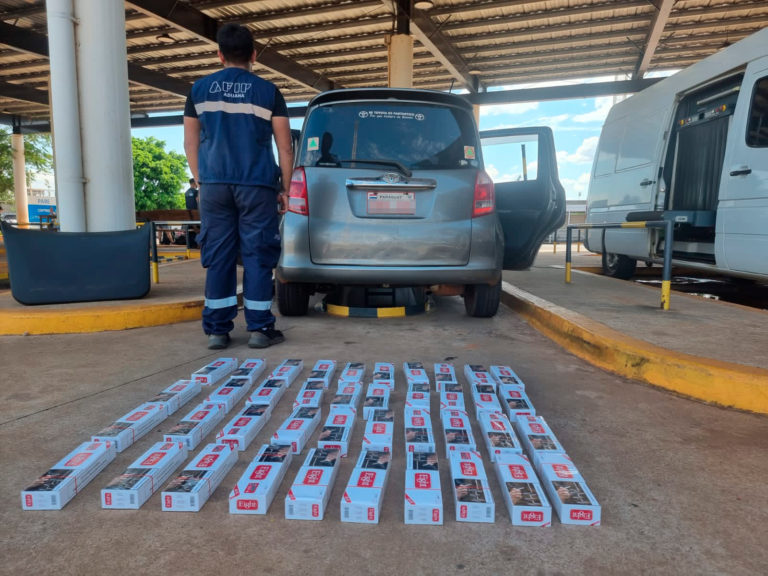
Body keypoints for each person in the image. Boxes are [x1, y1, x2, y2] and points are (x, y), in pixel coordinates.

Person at [184, 23, 293, 350]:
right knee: (258, 254)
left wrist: (202, 181)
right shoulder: (269, 92)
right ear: (254, 55)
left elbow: (190, 143)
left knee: (218, 255)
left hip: (214, 184)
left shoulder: (198, 90)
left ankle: (217, 330)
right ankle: (260, 329)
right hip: (257, 184)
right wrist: (285, 189)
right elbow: (285, 147)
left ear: (219, 55)